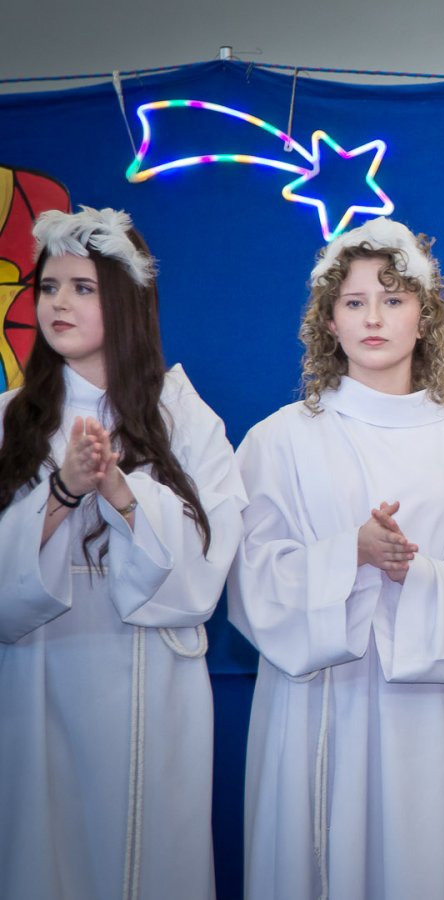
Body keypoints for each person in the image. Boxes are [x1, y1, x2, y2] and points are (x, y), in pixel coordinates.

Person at [228, 217, 444, 899]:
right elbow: (251, 582)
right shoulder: (279, 441)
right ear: (329, 321)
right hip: (316, 707)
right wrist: (351, 555)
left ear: (425, 319)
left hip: (431, 717)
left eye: (393, 300)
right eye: (355, 302)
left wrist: (409, 571)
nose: (373, 318)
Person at [0, 207, 244, 899]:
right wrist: (63, 492)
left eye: (83, 288)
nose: (59, 304)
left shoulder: (185, 418)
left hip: (153, 687)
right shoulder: (11, 418)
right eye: (49, 287)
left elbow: (208, 566)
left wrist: (121, 490)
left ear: (127, 301)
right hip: (37, 679)